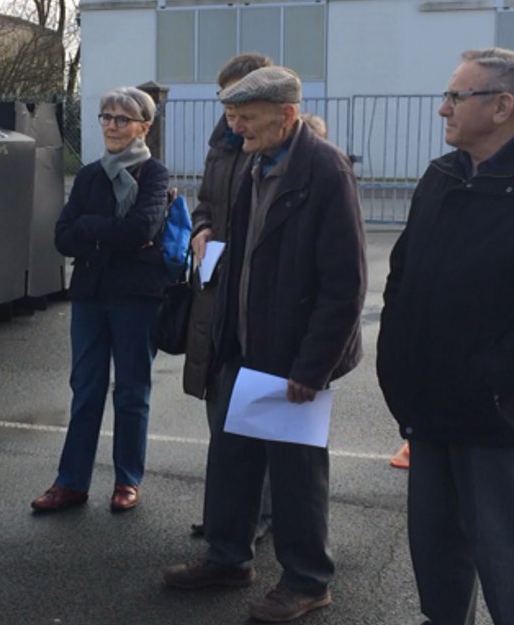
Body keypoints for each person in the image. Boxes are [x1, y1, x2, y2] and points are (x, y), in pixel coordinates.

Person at [376, 48, 514, 625]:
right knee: (436, 548)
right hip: (426, 403)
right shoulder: (443, 174)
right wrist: (395, 361)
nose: (442, 108)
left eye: (457, 96)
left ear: (503, 106)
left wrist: (492, 374)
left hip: (493, 409)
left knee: (510, 555)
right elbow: (402, 274)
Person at [164, 66, 367, 623]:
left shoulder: (326, 171)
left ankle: (307, 581)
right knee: (232, 461)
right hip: (243, 346)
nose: (235, 128)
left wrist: (313, 367)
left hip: (293, 357)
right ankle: (228, 558)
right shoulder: (256, 161)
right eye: (231, 116)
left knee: (297, 476)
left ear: (286, 115)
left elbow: (345, 284)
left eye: (246, 118)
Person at [31, 87, 169, 514]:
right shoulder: (90, 176)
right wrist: (109, 229)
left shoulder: (155, 175)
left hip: (136, 298)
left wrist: (93, 230)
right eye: (106, 117)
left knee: (131, 391)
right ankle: (71, 481)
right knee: (86, 389)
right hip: (91, 297)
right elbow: (61, 236)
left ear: (143, 127)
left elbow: (142, 229)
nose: (111, 125)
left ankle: (127, 479)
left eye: (122, 119)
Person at [183, 52, 273, 541]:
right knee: (221, 413)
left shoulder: (278, 150)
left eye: (240, 103)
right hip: (216, 294)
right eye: (226, 103)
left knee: (257, 418)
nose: (232, 115)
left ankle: (255, 518)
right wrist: (201, 229)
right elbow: (203, 202)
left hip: (253, 302)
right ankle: (228, 513)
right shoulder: (221, 146)